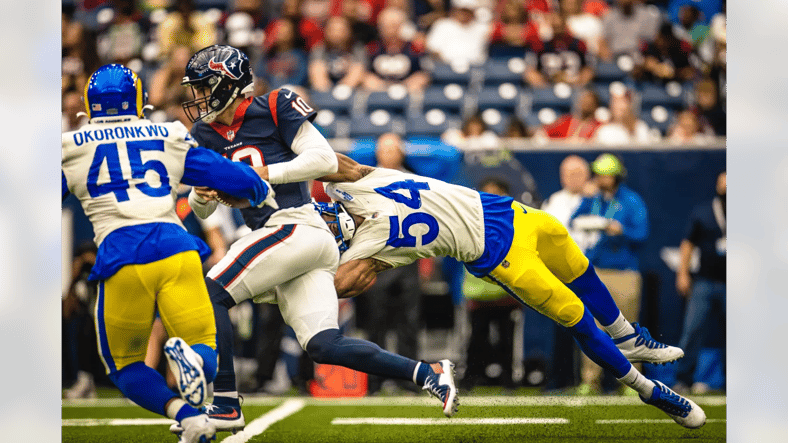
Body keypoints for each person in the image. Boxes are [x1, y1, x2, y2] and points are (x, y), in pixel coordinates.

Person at [177, 45, 458, 433]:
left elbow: (324, 161)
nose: (199, 97)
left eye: (206, 85)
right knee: (325, 345)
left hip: (295, 226)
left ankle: (225, 402)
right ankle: (427, 371)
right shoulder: (204, 132)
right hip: (283, 242)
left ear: (231, 83)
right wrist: (201, 195)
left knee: (211, 292)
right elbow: (204, 209)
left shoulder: (273, 105)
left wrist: (258, 176)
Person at [316, 153, 706, 429]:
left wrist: (273, 171)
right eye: (326, 227)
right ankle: (650, 390)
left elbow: (329, 161)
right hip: (497, 253)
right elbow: (345, 284)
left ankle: (627, 336)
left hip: (508, 211)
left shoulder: (361, 183)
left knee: (579, 266)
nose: (332, 220)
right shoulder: (366, 250)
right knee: (577, 318)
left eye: (327, 217)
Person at [61, 64, 276, 443]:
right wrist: (258, 190)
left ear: (90, 105)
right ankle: (193, 387)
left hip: (120, 256)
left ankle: (183, 414)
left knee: (125, 367)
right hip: (176, 250)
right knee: (203, 347)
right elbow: (227, 175)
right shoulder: (167, 132)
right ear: (140, 99)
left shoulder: (69, 146)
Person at [569, 153, 650, 395]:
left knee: (627, 329)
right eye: (598, 174)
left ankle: (633, 381)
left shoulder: (631, 200)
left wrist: (620, 230)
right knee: (592, 328)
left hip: (624, 272)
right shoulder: (593, 199)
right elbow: (575, 220)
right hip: (597, 271)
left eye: (605, 174)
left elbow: (641, 234)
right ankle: (590, 380)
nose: (600, 179)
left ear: (616, 176)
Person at [673, 171, 726, 394]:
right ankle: (683, 379)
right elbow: (688, 243)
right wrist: (682, 273)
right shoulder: (704, 211)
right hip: (705, 280)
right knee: (692, 330)